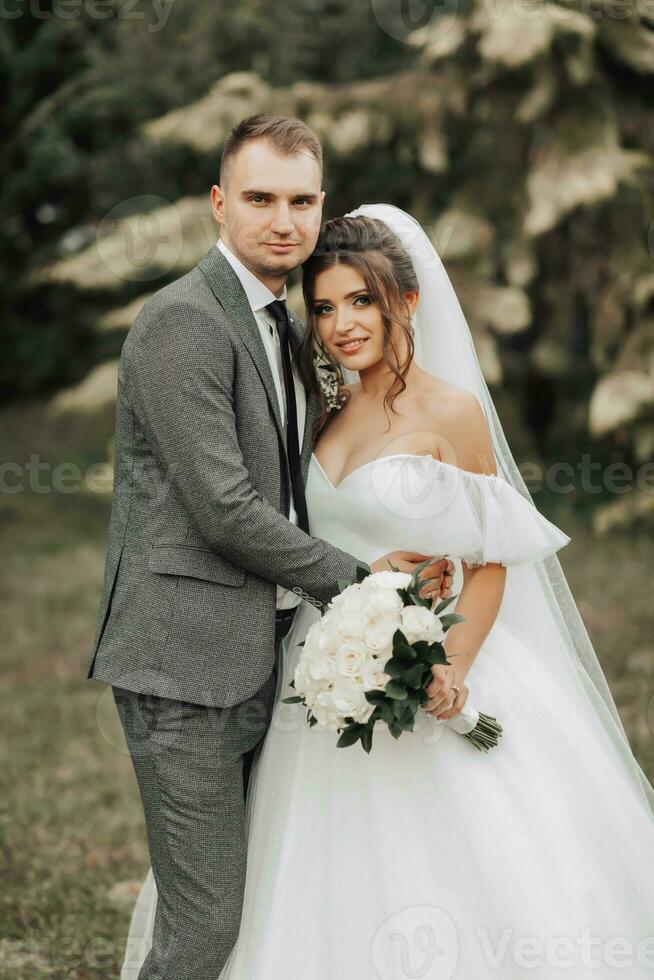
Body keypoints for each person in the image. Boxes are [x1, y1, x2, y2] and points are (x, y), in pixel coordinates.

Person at [120, 206, 654, 979]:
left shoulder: (452, 412)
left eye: (361, 301)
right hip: (319, 668)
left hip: (430, 657)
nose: (341, 325)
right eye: (326, 307)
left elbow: (492, 558)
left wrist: (454, 664)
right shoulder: (319, 408)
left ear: (405, 301)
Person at [87, 117, 452, 980]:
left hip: (258, 655)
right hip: (181, 665)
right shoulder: (184, 323)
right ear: (219, 204)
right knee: (206, 926)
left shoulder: (285, 324)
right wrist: (362, 585)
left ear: (322, 205)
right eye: (259, 198)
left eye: (301, 200)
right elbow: (224, 508)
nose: (283, 220)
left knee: (255, 904)